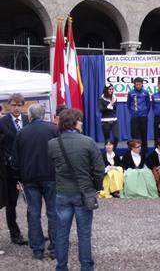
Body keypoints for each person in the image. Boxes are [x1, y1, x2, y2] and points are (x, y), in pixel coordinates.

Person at [47, 108, 105, 271]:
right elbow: (99, 169)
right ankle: (86, 267)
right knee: (84, 234)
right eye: (79, 120)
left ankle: (61, 266)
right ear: (73, 122)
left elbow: (53, 167)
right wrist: (96, 188)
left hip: (62, 193)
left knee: (61, 234)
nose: (82, 123)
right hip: (83, 193)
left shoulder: (52, 144)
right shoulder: (88, 142)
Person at [11, 103, 58, 260]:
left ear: (30, 116)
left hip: (30, 179)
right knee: (53, 213)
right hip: (51, 177)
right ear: (43, 114)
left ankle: (38, 249)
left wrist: (18, 178)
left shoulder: (21, 133)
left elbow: (15, 160)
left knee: (33, 214)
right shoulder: (53, 129)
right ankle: (55, 249)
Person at [0, 93, 29, 245]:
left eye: (19, 105)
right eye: (13, 105)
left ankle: (35, 232)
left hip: (28, 168)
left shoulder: (27, 120)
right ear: (8, 105)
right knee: (11, 204)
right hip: (10, 170)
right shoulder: (2, 122)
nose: (16, 108)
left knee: (33, 202)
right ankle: (15, 234)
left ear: (23, 106)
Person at [127, 77, 150, 155]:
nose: (138, 86)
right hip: (134, 117)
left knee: (144, 135)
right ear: (134, 84)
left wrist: (145, 113)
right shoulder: (130, 93)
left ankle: (145, 152)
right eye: (136, 84)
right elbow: (128, 105)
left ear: (142, 84)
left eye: (139, 84)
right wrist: (132, 113)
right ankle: (135, 152)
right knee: (135, 136)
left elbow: (148, 104)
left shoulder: (146, 92)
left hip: (143, 117)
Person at [99, 83, 119, 150]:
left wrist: (111, 107)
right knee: (107, 139)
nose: (111, 90)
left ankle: (113, 150)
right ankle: (106, 154)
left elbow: (114, 109)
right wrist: (109, 106)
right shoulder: (101, 99)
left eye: (112, 89)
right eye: (110, 89)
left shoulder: (114, 97)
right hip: (105, 121)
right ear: (106, 90)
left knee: (116, 137)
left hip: (114, 120)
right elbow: (101, 110)